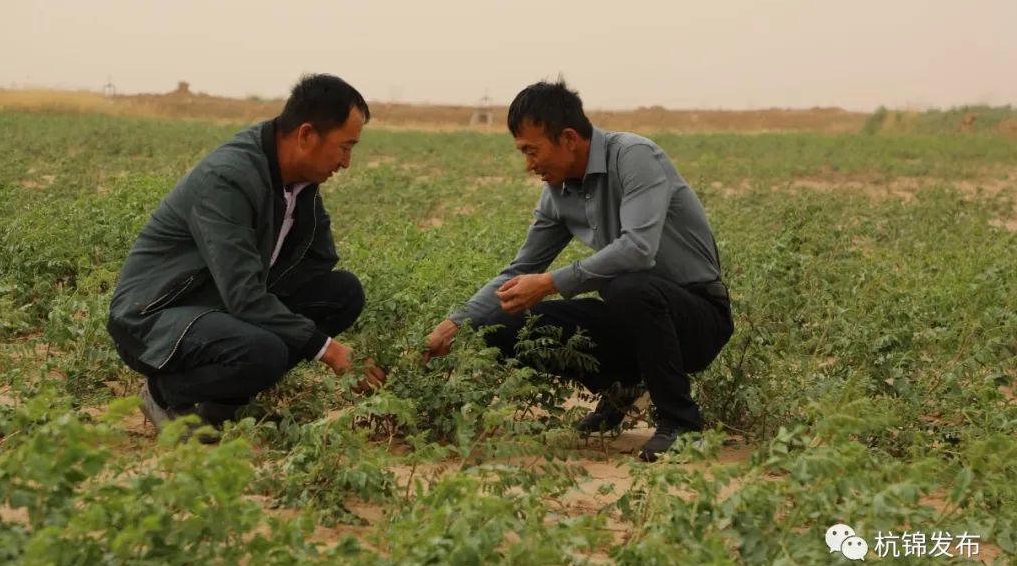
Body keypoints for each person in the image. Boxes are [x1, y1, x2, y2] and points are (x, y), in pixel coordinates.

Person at [426, 79, 733, 460]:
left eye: (532, 150)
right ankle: (623, 387)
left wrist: (553, 283)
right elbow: (521, 268)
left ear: (569, 138)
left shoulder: (634, 157)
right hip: (635, 317)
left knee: (627, 286)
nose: (529, 164)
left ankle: (681, 424)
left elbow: (638, 249)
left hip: (698, 318)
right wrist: (457, 323)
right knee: (499, 322)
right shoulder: (556, 191)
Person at [107, 74, 385, 434]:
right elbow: (243, 294)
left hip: (219, 306)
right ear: (306, 136)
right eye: (345, 147)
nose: (346, 162)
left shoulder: (300, 185)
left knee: (342, 293)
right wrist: (328, 350)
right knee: (264, 350)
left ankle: (225, 401)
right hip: (154, 317)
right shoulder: (229, 178)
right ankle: (165, 393)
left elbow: (317, 263)